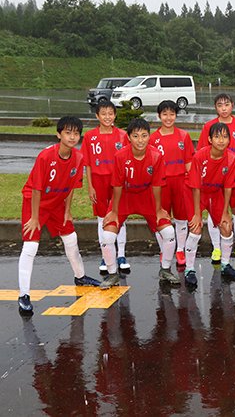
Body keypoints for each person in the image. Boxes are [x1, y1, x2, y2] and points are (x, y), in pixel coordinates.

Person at [18, 116, 101, 314]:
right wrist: (35, 217)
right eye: (68, 133)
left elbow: (71, 186)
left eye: (76, 133)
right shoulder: (46, 156)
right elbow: (37, 188)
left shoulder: (79, 157)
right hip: (35, 203)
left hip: (57, 204)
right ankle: (24, 295)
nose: (72, 137)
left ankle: (80, 277)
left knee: (71, 238)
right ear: (59, 134)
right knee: (30, 246)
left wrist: (67, 211)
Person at [100, 118, 179, 288]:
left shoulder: (156, 156)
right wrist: (114, 211)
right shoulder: (120, 156)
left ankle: (165, 269)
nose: (140, 140)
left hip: (147, 196)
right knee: (107, 236)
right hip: (125, 197)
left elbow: (157, 184)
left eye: (144, 135)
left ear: (149, 136)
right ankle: (112, 274)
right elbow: (117, 185)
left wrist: (158, 210)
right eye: (136, 136)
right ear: (128, 137)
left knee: (169, 232)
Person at [197, 93, 235, 263]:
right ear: (215, 108)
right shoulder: (209, 126)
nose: (223, 108)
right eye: (220, 105)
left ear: (232, 105)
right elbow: (200, 154)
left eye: (226, 104)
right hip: (214, 179)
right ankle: (216, 248)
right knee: (215, 213)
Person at [183, 122, 235, 285]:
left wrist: (224, 212)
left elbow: (228, 187)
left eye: (224, 137)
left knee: (226, 226)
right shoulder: (200, 156)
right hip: (195, 193)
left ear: (229, 140)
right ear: (209, 139)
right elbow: (195, 186)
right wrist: (197, 214)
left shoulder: (231, 158)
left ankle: (225, 264)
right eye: (217, 137)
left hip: (215, 193)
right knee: (195, 228)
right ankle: (189, 269)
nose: (221, 141)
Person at [81, 101, 131, 274]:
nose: (107, 117)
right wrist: (90, 187)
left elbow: (127, 161)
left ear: (115, 115)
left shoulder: (123, 136)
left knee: (119, 217)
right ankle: (106, 254)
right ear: (97, 116)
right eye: (104, 113)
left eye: (111, 113)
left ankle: (121, 255)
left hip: (118, 183)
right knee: (102, 218)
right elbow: (87, 164)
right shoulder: (89, 137)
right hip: (98, 181)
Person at [150, 100, 195, 268]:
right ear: (159, 116)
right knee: (161, 218)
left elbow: (189, 161)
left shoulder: (184, 136)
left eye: (172, 114)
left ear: (176, 115)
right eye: (165, 114)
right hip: (161, 184)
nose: (168, 118)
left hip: (180, 181)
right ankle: (164, 249)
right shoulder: (153, 139)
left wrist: (190, 182)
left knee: (182, 218)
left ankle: (180, 249)